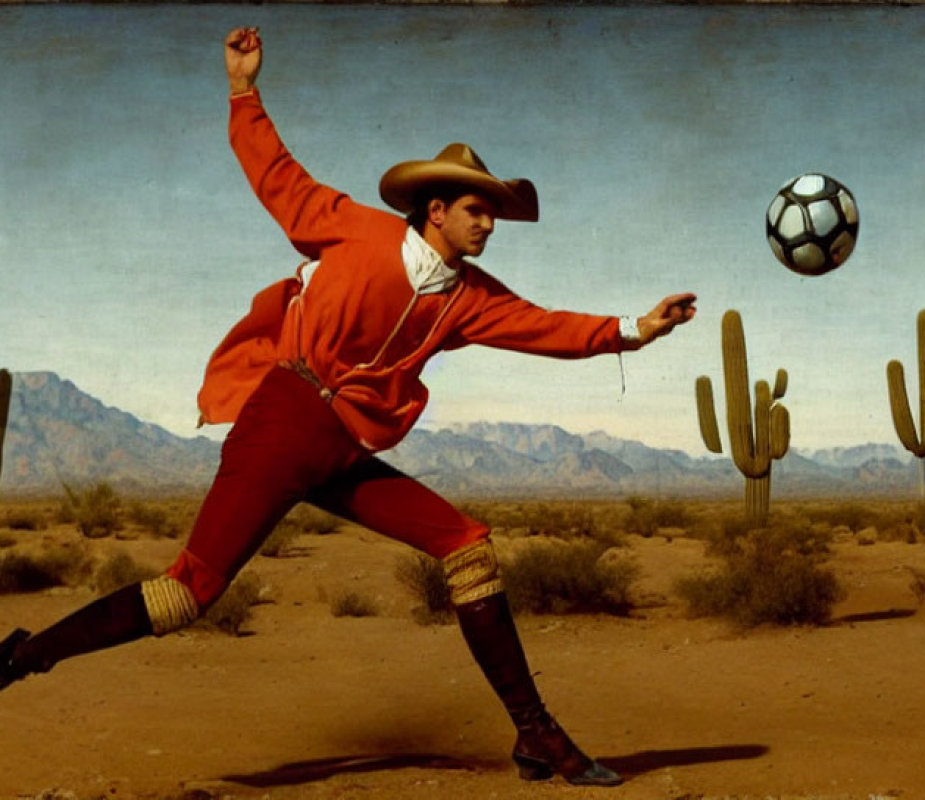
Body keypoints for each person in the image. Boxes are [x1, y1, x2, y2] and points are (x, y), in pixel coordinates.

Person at [0, 27, 697, 787]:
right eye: (478, 210)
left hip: (341, 450)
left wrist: (637, 328)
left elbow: (546, 327)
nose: (489, 224)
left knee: (467, 547)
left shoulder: (469, 299)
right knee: (187, 593)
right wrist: (243, 89)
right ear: (436, 209)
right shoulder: (352, 229)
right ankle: (24, 655)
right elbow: (276, 176)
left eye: (494, 213)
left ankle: (537, 736)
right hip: (281, 424)